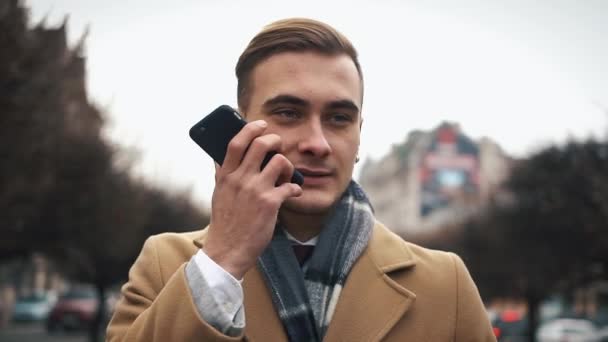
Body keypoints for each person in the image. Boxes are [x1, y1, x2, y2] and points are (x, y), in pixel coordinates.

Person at [106, 18, 495, 342]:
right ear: (243, 126)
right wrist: (223, 258)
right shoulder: (165, 263)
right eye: (289, 113)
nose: (317, 143)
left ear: (359, 135)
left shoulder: (447, 285)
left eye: (339, 118)